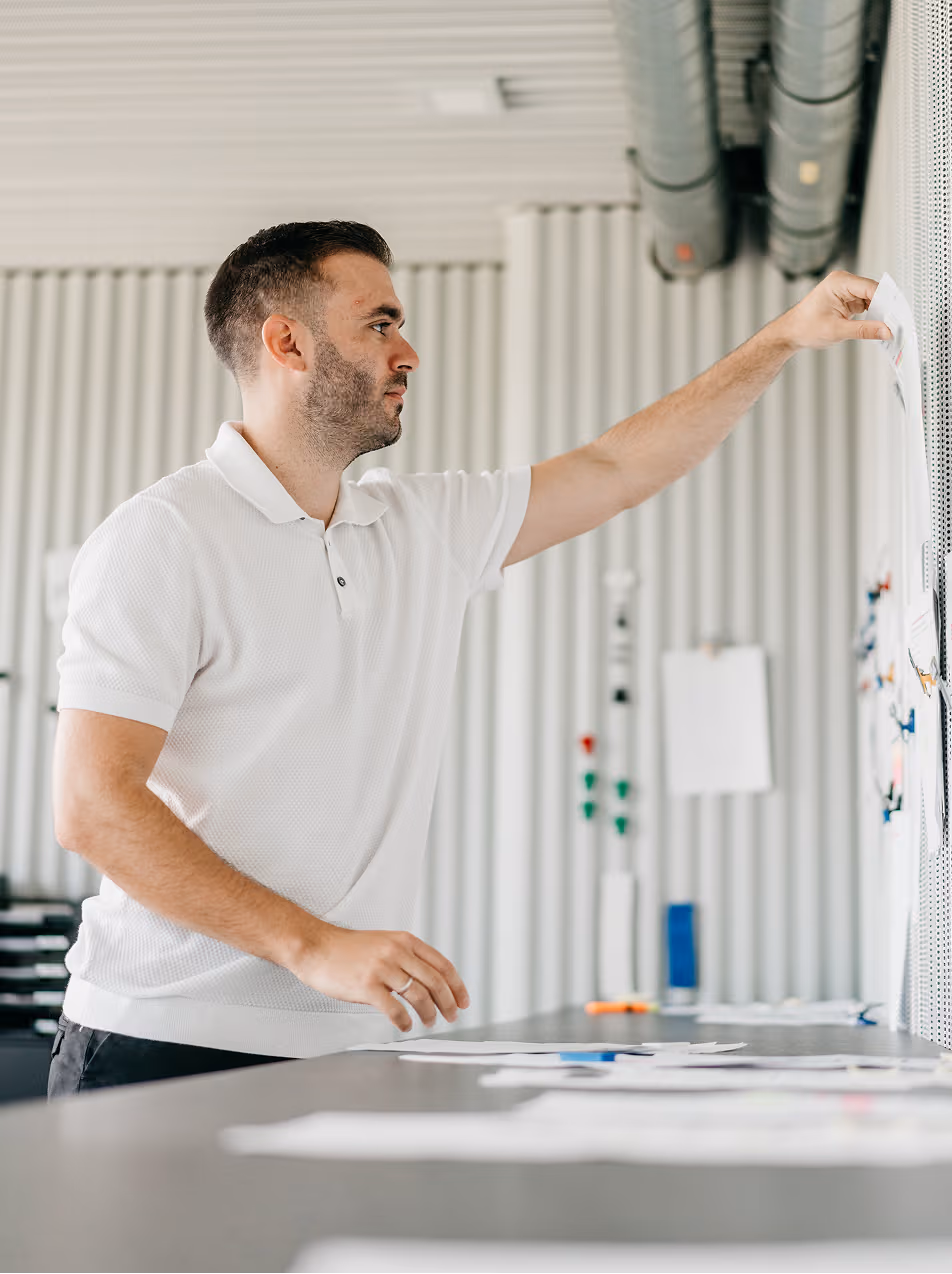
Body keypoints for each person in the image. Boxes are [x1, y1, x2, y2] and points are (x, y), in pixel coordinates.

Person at [47, 220, 890, 1095]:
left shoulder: (421, 527)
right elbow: (93, 808)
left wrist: (784, 336)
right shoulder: (162, 537)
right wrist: (312, 946)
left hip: (343, 1047)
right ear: (286, 340)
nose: (408, 352)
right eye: (379, 323)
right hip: (158, 1043)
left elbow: (614, 466)